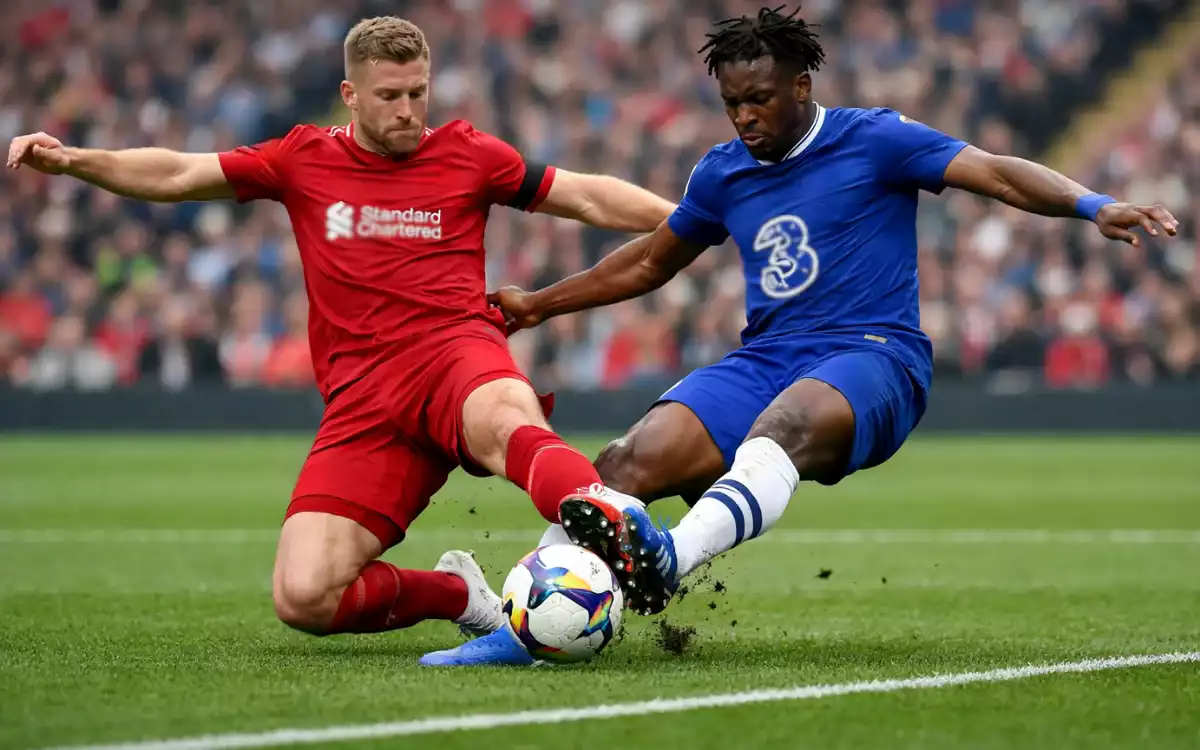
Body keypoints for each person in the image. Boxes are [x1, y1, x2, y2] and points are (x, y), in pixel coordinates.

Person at [427, 5, 1177, 666]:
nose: (745, 117)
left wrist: (1092, 204)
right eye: (731, 105)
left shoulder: (876, 139)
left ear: (801, 89)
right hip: (769, 356)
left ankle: (669, 559)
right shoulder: (721, 174)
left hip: (874, 355)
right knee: (625, 463)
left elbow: (999, 174)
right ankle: (527, 628)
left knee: (778, 428)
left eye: (758, 100)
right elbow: (652, 261)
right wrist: (540, 304)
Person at [7, 16, 670, 643]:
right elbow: (180, 173)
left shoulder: (469, 154)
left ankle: (607, 514)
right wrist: (74, 161)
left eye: (418, 92)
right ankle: (461, 595)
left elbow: (585, 194)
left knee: (505, 417)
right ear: (350, 95)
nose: (409, 110)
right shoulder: (302, 158)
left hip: (456, 358)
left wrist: (690, 217)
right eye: (390, 96)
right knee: (304, 597)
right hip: (364, 402)